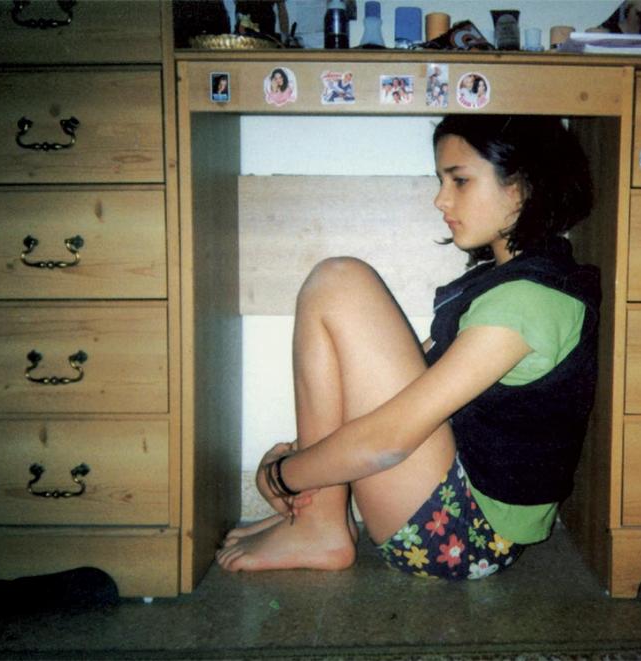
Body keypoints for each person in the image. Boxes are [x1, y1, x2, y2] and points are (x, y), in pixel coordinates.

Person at [217, 115, 599, 581]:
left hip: (464, 536)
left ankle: (319, 527)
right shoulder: (508, 287)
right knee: (338, 285)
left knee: (338, 281)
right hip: (459, 505)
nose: (440, 199)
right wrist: (302, 456)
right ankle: (318, 520)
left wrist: (284, 474)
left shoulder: (529, 302)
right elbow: (385, 388)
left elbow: (389, 440)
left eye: (459, 180)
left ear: (522, 186)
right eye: (441, 181)